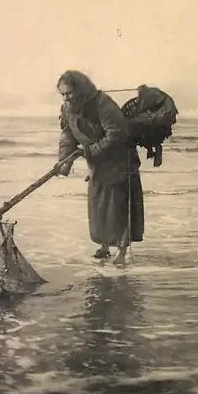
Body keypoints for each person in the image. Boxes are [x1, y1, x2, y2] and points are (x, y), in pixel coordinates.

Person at [56, 70, 144, 266]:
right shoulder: (67, 109)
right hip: (98, 164)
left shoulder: (103, 104)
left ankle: (121, 252)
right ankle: (104, 247)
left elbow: (117, 134)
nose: (66, 97)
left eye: (69, 93)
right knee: (99, 206)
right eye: (62, 94)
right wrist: (64, 162)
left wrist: (88, 151)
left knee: (119, 208)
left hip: (120, 162)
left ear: (81, 89)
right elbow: (67, 135)